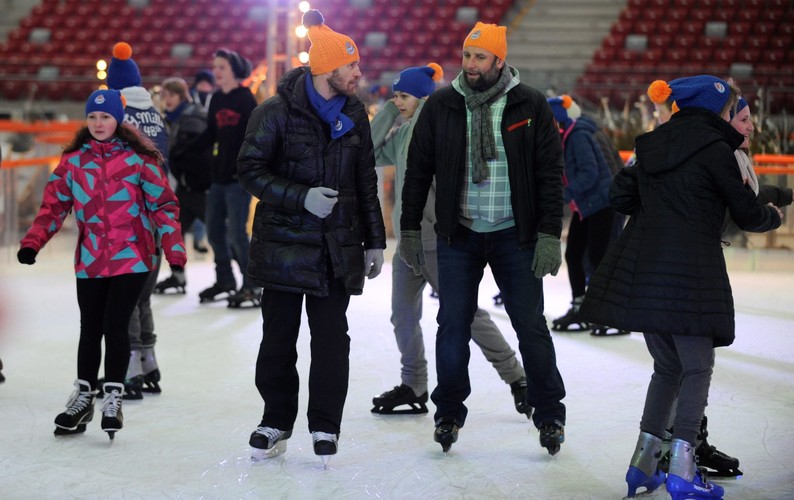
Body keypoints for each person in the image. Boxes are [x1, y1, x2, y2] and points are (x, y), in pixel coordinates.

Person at [579, 76, 782, 498]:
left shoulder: (651, 145)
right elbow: (746, 213)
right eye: (729, 111)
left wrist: (657, 201)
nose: (732, 119)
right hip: (692, 273)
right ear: (714, 110)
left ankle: (643, 465)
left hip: (646, 270)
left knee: (667, 368)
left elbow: (620, 197)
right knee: (696, 367)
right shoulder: (715, 150)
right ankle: (683, 471)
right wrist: (775, 216)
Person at [400, 21, 567, 455]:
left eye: (479, 57)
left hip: (517, 233)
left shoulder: (528, 103)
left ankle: (549, 413)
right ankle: (449, 412)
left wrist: (550, 232)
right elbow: (418, 172)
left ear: (499, 60)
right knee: (452, 325)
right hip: (461, 234)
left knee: (530, 326)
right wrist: (410, 228)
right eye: (466, 55)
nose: (470, 64)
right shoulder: (442, 105)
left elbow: (550, 174)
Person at [236, 9, 386, 467]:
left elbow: (364, 181)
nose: (359, 72)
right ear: (326, 70)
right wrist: (300, 197)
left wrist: (376, 241)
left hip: (334, 250)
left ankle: (325, 424)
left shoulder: (356, 115)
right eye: (351, 66)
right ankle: (276, 420)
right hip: (283, 246)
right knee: (278, 339)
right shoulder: (274, 113)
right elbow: (249, 170)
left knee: (330, 340)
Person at [17, 89, 186, 439]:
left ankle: (113, 396)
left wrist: (174, 253)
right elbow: (53, 208)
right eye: (92, 117)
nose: (98, 123)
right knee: (90, 327)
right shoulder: (74, 162)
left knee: (116, 324)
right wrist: (33, 242)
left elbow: (164, 208)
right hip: (92, 258)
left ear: (117, 119)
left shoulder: (140, 161)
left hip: (133, 257)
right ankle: (83, 397)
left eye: (105, 117)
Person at [370, 63, 530, 417]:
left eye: (403, 95)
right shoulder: (403, 131)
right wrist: (387, 109)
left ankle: (518, 378)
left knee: (466, 316)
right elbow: (367, 152)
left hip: (437, 242)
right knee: (403, 315)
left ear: (424, 97)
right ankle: (414, 384)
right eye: (394, 95)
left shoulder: (441, 126)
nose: (397, 101)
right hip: (408, 245)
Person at [105, 41, 172, 399]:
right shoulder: (156, 116)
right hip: (158, 217)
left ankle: (128, 368)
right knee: (142, 294)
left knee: (124, 296)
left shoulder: (118, 116)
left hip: (129, 218)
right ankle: (148, 360)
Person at [545, 95, 628, 336]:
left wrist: (566, 193)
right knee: (573, 254)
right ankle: (581, 306)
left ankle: (610, 312)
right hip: (587, 205)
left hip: (602, 203)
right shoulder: (570, 133)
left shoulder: (578, 135)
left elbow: (590, 172)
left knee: (598, 258)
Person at [194, 48, 259, 307]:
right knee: (214, 233)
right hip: (218, 178)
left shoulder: (246, 99)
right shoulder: (216, 99)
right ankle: (225, 280)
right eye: (215, 67)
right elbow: (211, 133)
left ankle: (252, 284)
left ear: (234, 70)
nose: (216, 72)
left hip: (238, 179)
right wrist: (185, 149)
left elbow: (255, 137)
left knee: (236, 235)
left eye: (221, 67)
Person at [153, 77, 212, 295]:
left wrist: (193, 177)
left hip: (200, 188)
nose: (167, 100)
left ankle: (245, 281)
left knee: (219, 235)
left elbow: (197, 155)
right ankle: (177, 276)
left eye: (171, 95)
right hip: (184, 188)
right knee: (173, 231)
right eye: (164, 96)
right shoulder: (172, 119)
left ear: (181, 96)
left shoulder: (193, 118)